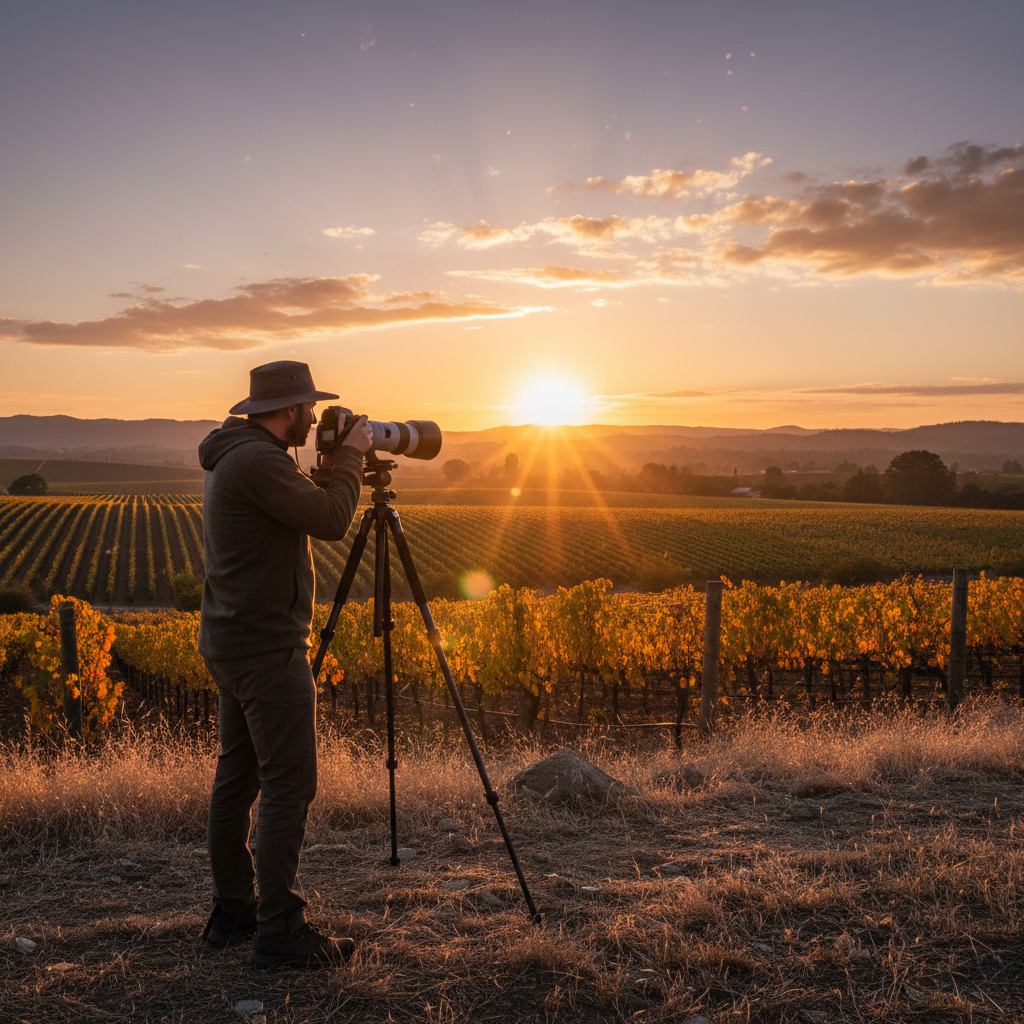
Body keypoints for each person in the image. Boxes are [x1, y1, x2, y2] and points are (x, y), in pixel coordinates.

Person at [196, 360, 373, 969]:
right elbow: (329, 520)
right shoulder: (259, 461)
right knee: (288, 786)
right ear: (289, 408)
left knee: (238, 779)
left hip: (231, 640)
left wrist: (327, 468)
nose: (314, 419)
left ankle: (233, 911)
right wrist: (349, 461)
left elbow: (303, 509)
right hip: (266, 648)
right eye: (309, 409)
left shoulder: (236, 455)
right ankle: (280, 931)